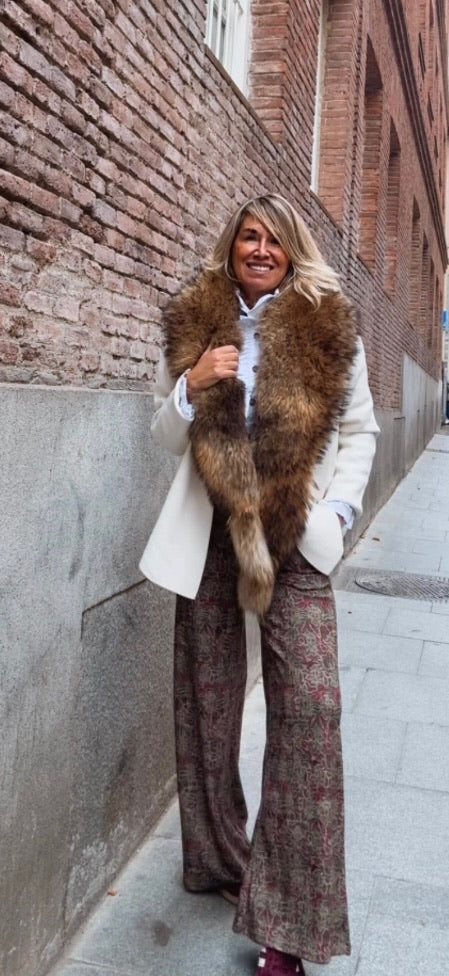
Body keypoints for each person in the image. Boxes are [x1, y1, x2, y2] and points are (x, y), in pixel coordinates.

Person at [139, 194, 379, 976]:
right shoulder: (195, 319)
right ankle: (221, 860)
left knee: (311, 711)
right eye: (248, 236)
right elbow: (163, 434)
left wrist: (334, 514)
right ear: (231, 245)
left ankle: (289, 922)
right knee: (205, 707)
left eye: (274, 239)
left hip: (291, 534)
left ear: (292, 249)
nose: (260, 249)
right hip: (210, 531)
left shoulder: (327, 323)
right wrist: (191, 384)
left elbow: (360, 432)